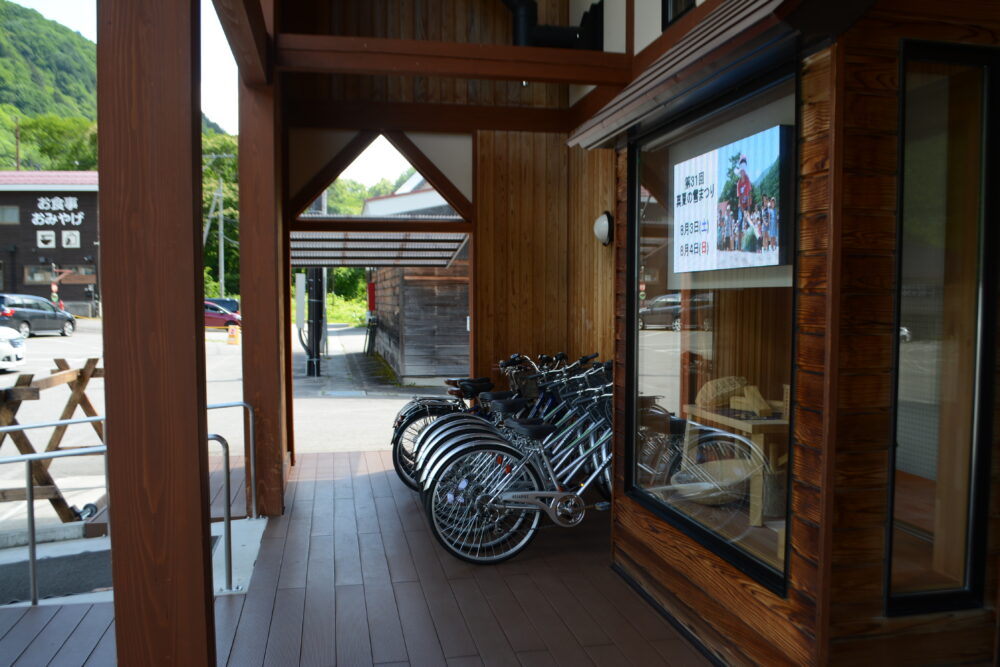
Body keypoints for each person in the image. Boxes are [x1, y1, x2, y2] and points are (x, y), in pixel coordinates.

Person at [736, 154, 752, 251]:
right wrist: (742, 209)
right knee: (740, 222)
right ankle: (739, 247)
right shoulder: (739, 183)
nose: (742, 172)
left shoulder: (747, 180)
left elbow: (749, 194)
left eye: (743, 170)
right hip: (740, 206)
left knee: (748, 223)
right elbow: (740, 197)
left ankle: (749, 245)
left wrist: (748, 208)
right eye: (741, 171)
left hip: (746, 205)